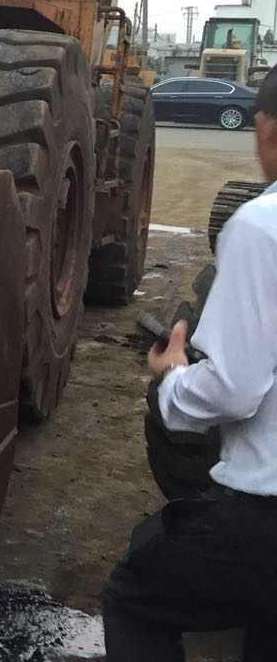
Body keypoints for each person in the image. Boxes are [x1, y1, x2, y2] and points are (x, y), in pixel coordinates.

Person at [103, 67, 277, 659]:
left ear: (267, 127)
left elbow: (234, 388)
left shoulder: (258, 227)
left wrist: (174, 377)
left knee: (134, 593)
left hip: (262, 517)